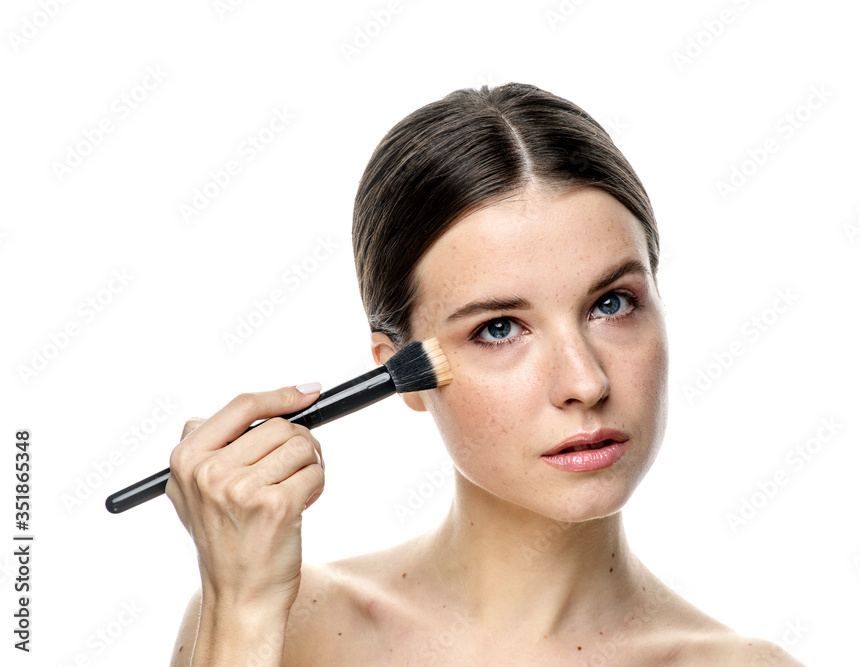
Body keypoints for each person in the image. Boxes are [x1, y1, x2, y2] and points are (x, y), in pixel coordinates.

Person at [166, 83, 805, 666]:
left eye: (611, 303)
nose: (585, 383)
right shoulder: (281, 625)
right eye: (499, 327)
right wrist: (241, 612)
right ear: (401, 372)